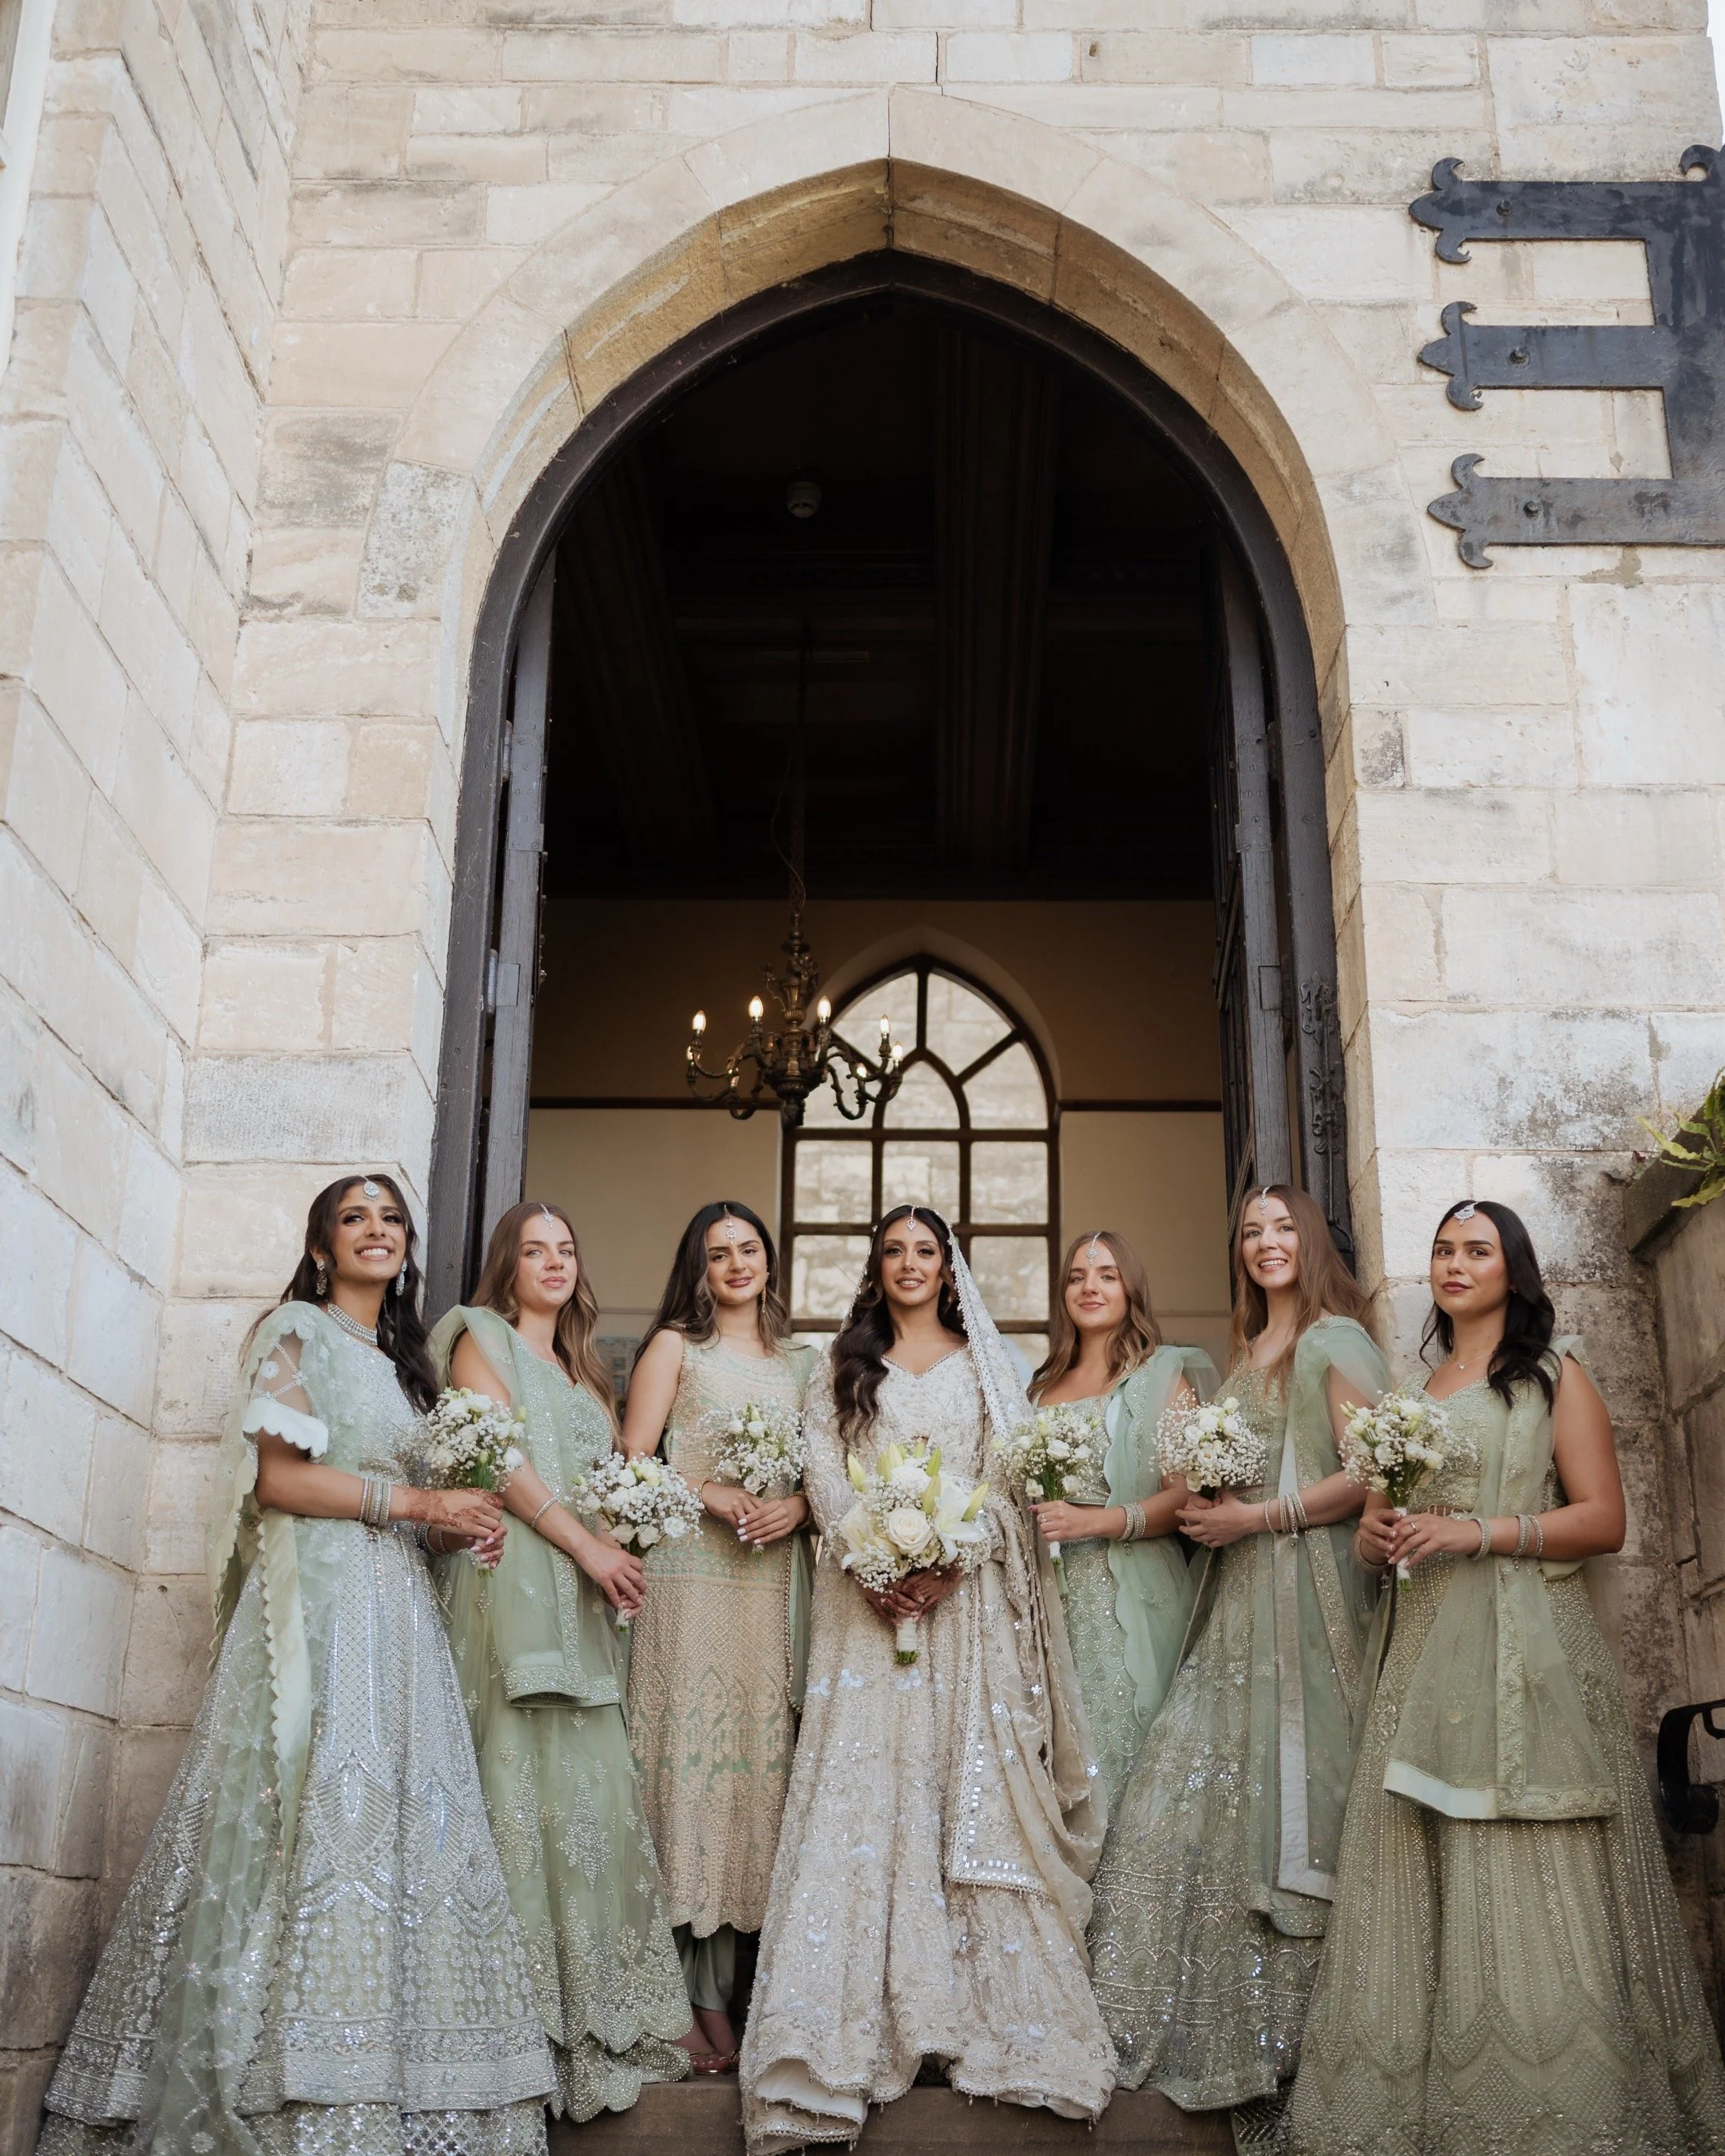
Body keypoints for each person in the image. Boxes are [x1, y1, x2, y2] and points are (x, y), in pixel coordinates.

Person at [40, 1175, 553, 2156]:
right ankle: (274, 2080)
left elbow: (415, 1499)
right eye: (353, 1219)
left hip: (399, 1618)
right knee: (296, 1814)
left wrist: (458, 1528)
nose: (375, 1232)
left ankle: (392, 2076)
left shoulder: (408, 1367)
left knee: (395, 1829)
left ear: (409, 1247)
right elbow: (278, 1479)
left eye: (391, 1220)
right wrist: (416, 1508)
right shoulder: (298, 1332)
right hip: (316, 1610)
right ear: (322, 1247)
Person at [1288, 1199, 1725, 2155]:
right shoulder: (1414, 1390)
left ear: (1512, 1271)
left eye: (1476, 1250)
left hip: (1527, 1656)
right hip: (1419, 1652)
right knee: (1421, 1855)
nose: (1454, 1263)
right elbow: (1381, 1533)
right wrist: (1376, 1537)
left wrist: (1476, 1532)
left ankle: (1551, 2109)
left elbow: (1604, 1520)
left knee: (1523, 1849)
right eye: (1443, 1248)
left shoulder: (1553, 1376)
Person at [740, 1206, 1116, 2150]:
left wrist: (950, 1561)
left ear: (950, 1270)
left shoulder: (985, 1367)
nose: (910, 1264)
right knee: (863, 1789)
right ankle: (844, 2031)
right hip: (861, 1616)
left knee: (962, 1783)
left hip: (965, 1609)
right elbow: (824, 1469)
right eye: (894, 1252)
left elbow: (1004, 1478)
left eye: (927, 1252)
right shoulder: (841, 1364)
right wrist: (873, 1563)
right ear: (876, 1269)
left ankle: (968, 2021)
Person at [1086, 1183, 1388, 2125]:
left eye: (1282, 1228)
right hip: (1238, 1594)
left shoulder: (1334, 1339)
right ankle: (1189, 2016)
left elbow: (1374, 1471)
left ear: (1312, 1241)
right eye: (1251, 1232)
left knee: (1296, 1783)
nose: (1265, 1243)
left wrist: (1257, 1515)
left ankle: (1296, 2030)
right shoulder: (1243, 1353)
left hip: (1309, 1590)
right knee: (1187, 1788)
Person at [430, 1201, 692, 2121]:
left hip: (587, 1601)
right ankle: (510, 2017)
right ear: (507, 1265)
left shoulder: (587, 1375)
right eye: (534, 1250)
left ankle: (592, 2012)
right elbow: (496, 1460)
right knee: (514, 1777)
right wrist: (587, 1550)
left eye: (566, 1251)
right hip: (511, 1582)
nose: (553, 1263)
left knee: (586, 1799)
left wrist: (627, 1534)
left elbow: (607, 1480)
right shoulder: (481, 1339)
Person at [621, 1201, 814, 2073]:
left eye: (749, 1249)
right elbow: (635, 1461)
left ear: (770, 1261)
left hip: (771, 1585)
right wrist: (705, 1491)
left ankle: (733, 1995)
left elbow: (831, 1474)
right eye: (718, 1253)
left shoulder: (806, 1362)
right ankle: (681, 2001)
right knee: (686, 1776)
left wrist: (798, 1506)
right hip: (690, 1584)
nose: (736, 1263)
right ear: (697, 1268)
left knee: (754, 1782)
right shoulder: (675, 1348)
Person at [1027, 1229, 1219, 1816]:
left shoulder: (1164, 1375)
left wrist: (1097, 1523)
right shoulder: (1040, 1387)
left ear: (1130, 1288)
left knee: (1130, 1750)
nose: (1091, 1287)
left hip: (1132, 1589)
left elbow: (1184, 1496)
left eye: (1107, 1275)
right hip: (1048, 1599)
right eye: (1078, 1277)